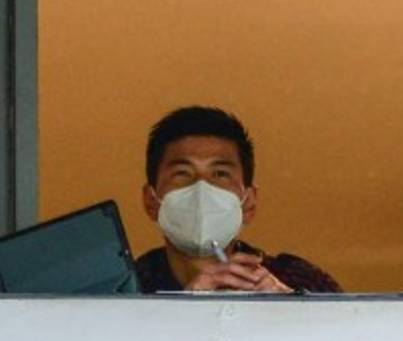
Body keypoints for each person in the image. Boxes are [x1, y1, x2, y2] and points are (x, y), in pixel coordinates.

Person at [135, 106, 341, 293]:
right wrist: (184, 311)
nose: (201, 188)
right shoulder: (120, 291)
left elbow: (351, 331)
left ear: (249, 203)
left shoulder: (304, 282)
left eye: (220, 174)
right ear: (151, 201)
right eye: (182, 173)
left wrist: (288, 312)